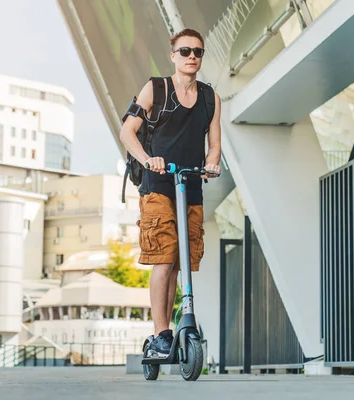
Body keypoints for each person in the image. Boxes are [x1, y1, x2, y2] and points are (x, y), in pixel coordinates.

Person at [119, 28, 221, 358]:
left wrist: (211, 163)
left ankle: (174, 328)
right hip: (158, 186)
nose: (192, 56)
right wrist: (149, 160)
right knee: (163, 258)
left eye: (198, 52)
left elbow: (214, 144)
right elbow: (127, 131)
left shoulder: (210, 98)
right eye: (186, 51)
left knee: (181, 263)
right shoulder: (156, 89)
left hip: (190, 184)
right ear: (173, 55)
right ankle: (160, 332)